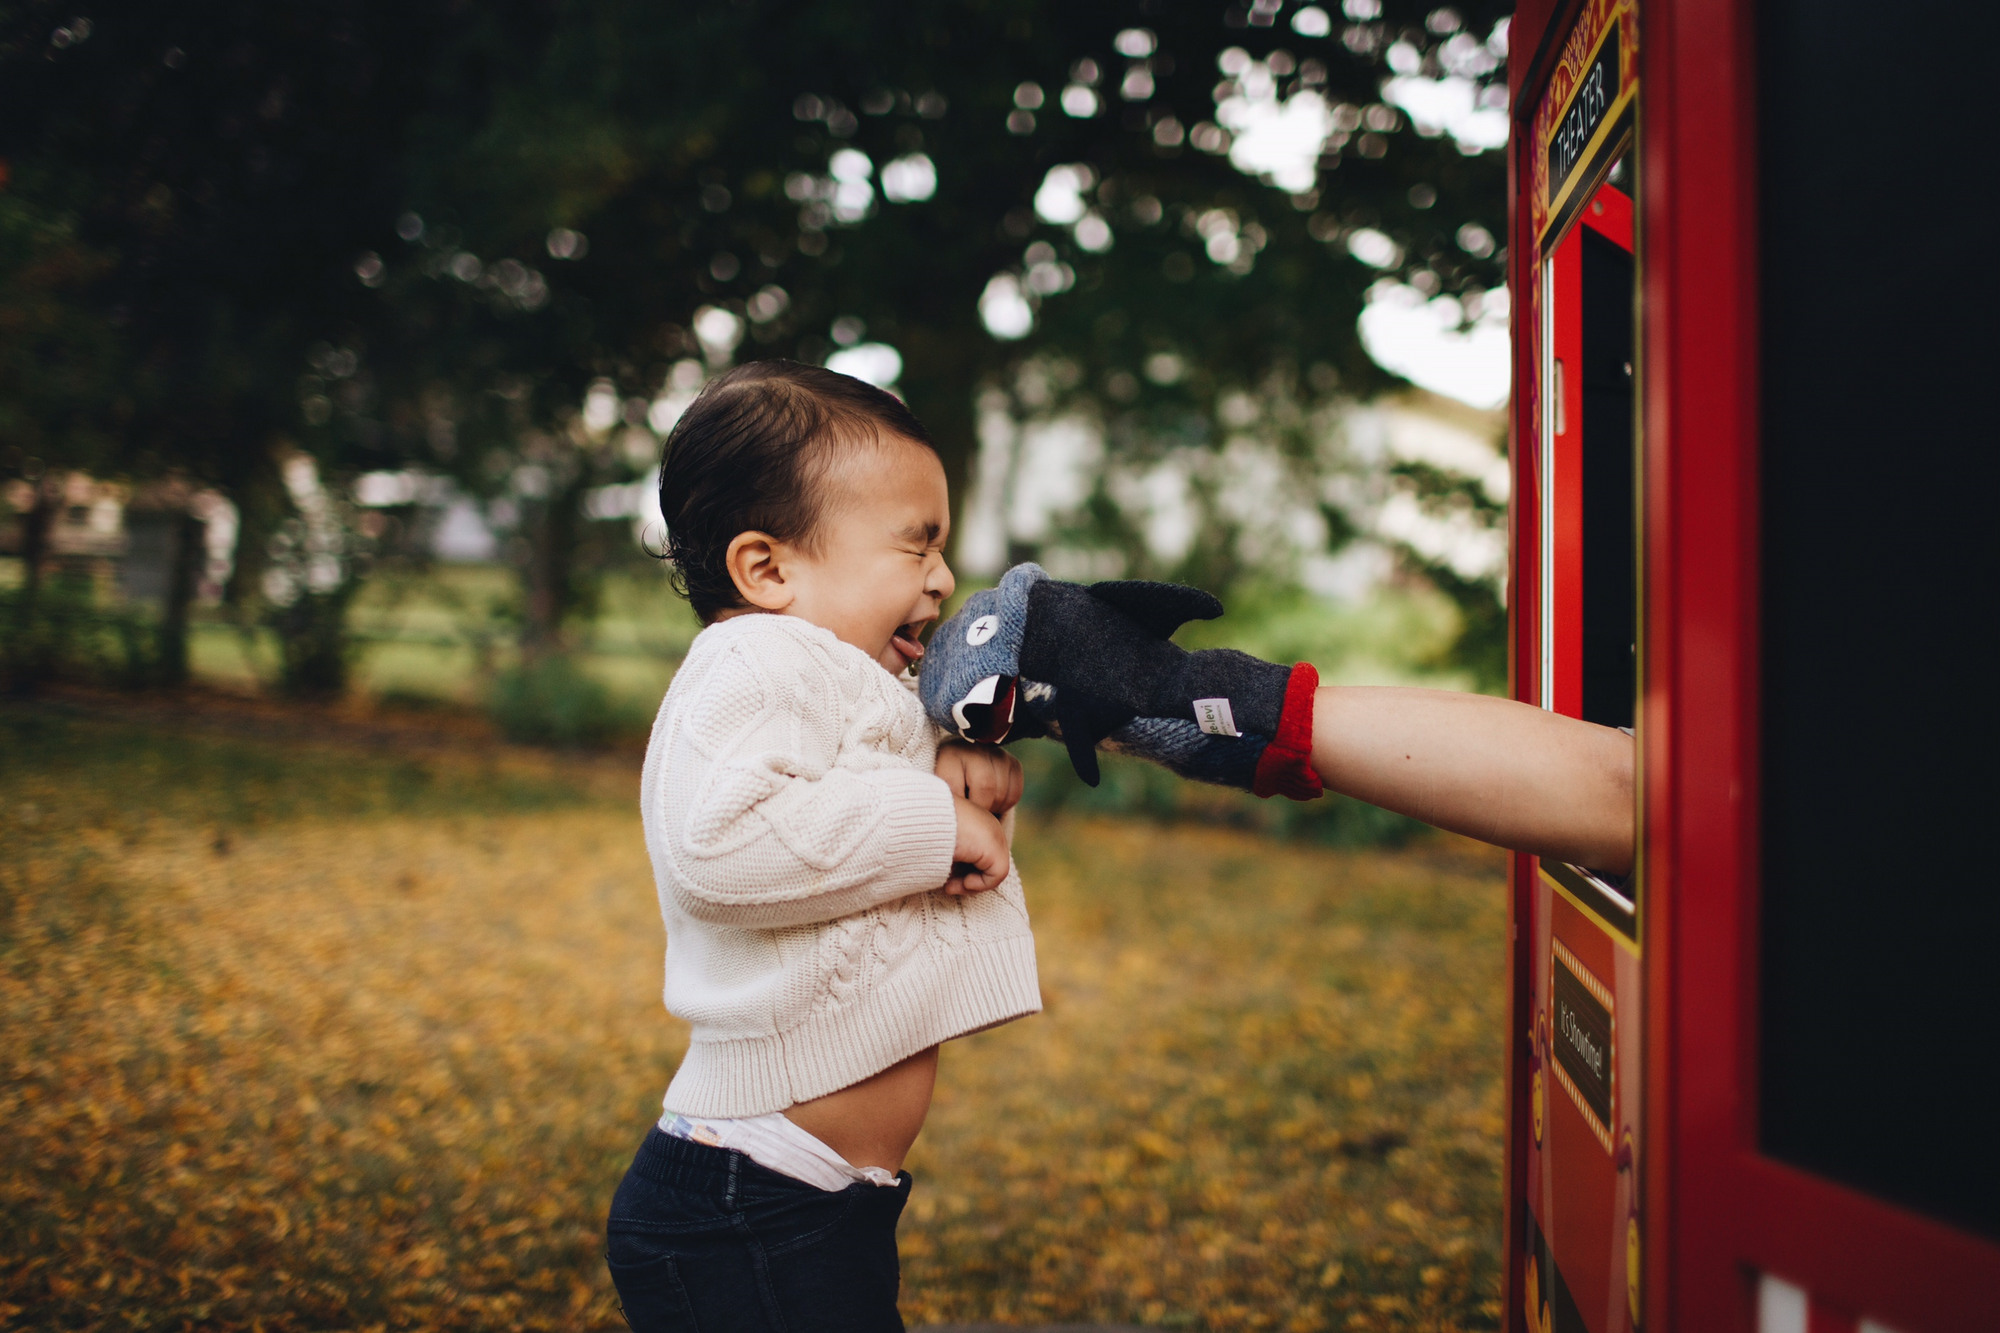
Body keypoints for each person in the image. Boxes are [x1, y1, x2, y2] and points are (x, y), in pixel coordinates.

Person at [607, 359, 1634, 1332]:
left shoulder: (835, 675)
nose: (942, 578)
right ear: (765, 566)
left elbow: (827, 805)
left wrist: (939, 774)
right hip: (745, 1191)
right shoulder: (748, 661)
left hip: (806, 1188)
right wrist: (933, 822)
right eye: (915, 544)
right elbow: (721, 844)